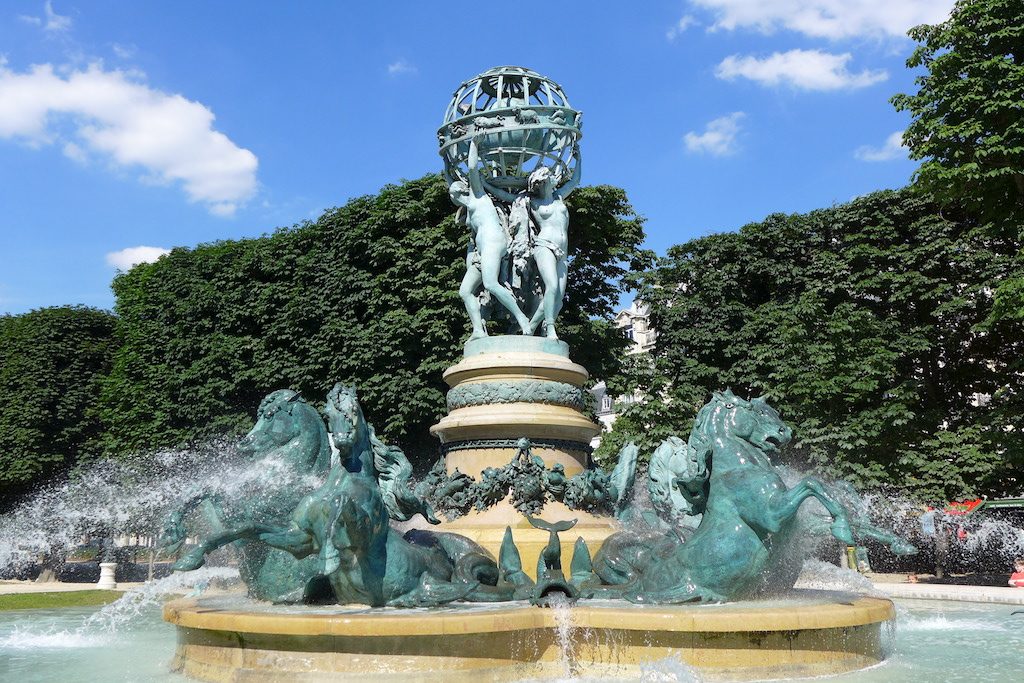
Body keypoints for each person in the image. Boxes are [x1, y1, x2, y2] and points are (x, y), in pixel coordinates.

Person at [484, 152, 582, 339]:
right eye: (551, 177)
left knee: (558, 298)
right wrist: (486, 185)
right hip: (544, 245)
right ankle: (550, 328)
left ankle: (529, 326)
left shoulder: (559, 197)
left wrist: (579, 158)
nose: (555, 179)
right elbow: (505, 196)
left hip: (562, 251)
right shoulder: (532, 202)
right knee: (552, 286)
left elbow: (575, 180)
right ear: (543, 181)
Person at [449, 137, 533, 339]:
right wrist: (446, 161)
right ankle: (478, 330)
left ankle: (522, 319)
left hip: (493, 243)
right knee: (465, 291)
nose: (453, 197)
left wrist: (475, 145)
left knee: (491, 284)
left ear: (461, 192)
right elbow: (449, 177)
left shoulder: (478, 196)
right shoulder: (469, 208)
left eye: (454, 194)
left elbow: (471, 169)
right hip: (482, 250)